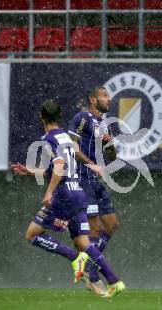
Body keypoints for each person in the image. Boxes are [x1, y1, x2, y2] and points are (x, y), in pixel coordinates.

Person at [11, 100, 125, 297]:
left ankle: (75, 258)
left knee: (32, 234)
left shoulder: (48, 139)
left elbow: (59, 166)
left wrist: (49, 192)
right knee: (84, 242)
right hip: (78, 192)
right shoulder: (65, 136)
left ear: (41, 117)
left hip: (63, 195)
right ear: (59, 117)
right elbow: (54, 167)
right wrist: (29, 171)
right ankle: (115, 281)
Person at [67, 86, 119, 294]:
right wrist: (91, 164)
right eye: (104, 96)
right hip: (82, 178)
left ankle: (86, 267)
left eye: (108, 96)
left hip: (97, 180)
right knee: (94, 228)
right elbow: (72, 146)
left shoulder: (104, 125)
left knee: (112, 224)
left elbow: (113, 157)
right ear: (93, 99)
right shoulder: (83, 117)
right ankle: (93, 277)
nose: (109, 99)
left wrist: (111, 144)